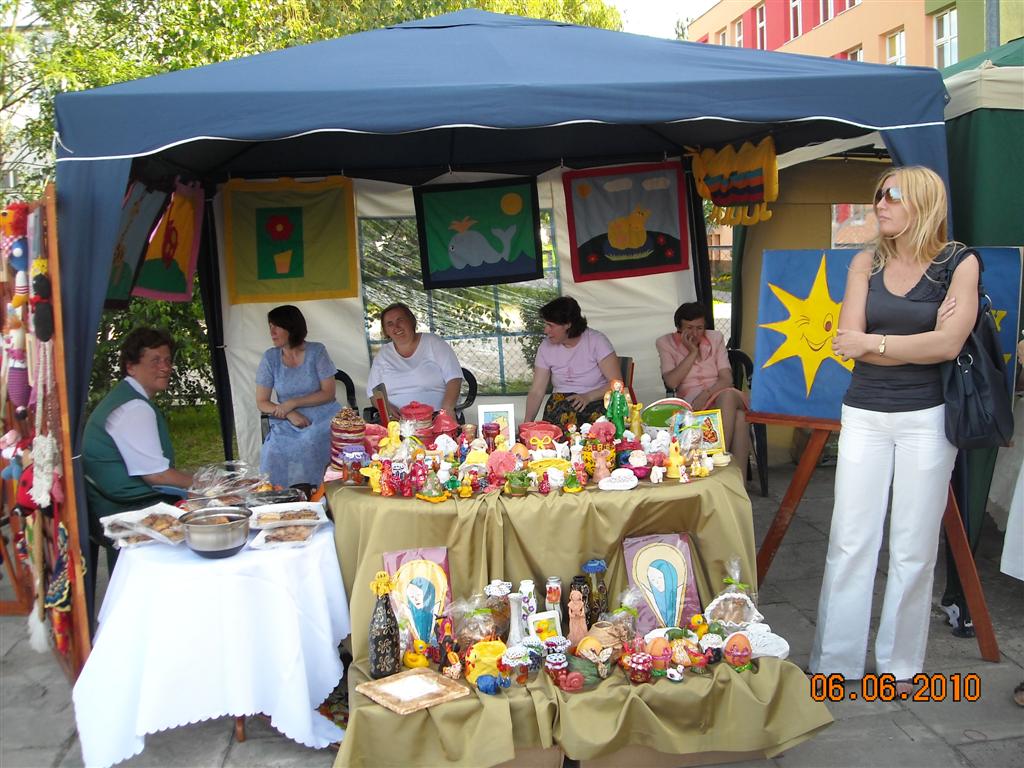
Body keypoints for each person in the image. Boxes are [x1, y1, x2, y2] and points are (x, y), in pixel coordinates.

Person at [808, 166, 979, 693]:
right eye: (878, 194)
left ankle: (900, 667)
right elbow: (848, 341)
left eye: (893, 195)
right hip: (864, 412)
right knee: (850, 540)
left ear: (923, 203)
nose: (880, 203)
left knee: (913, 546)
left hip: (928, 418)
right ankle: (834, 663)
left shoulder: (958, 263)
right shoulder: (866, 261)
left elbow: (948, 345)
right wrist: (910, 343)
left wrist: (877, 344)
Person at [83, 327, 194, 507]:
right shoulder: (134, 408)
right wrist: (209, 485)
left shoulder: (125, 398)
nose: (165, 367)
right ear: (130, 367)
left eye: (167, 360)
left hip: (121, 502)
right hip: (131, 509)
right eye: (155, 361)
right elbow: (157, 476)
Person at [656, 302, 751, 471]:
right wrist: (692, 352)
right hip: (692, 401)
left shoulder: (715, 338)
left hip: (720, 392)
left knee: (728, 395)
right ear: (678, 328)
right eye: (689, 328)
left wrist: (706, 394)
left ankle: (719, 457)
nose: (695, 333)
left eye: (700, 328)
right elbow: (672, 382)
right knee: (740, 418)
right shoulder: (665, 343)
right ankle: (738, 481)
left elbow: (726, 379)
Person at [255, 305, 340, 488]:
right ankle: (278, 494)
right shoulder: (270, 358)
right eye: (270, 326)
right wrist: (288, 413)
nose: (272, 332)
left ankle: (318, 492)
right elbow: (261, 401)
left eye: (277, 326)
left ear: (291, 327)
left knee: (310, 441)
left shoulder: (317, 351)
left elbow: (328, 392)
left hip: (322, 415)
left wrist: (292, 403)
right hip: (287, 419)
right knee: (272, 450)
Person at [524, 296, 620, 427]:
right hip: (561, 403)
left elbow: (617, 383)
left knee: (595, 429)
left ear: (568, 324)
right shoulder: (545, 347)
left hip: (595, 399)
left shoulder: (596, 341)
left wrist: (588, 397)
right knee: (560, 415)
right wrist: (526, 424)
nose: (545, 330)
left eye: (550, 325)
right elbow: (537, 390)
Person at [366, 302, 462, 420]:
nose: (396, 326)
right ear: (386, 331)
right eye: (389, 324)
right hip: (397, 421)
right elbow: (373, 393)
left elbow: (454, 378)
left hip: (435, 417)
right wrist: (387, 409)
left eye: (400, 320)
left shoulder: (433, 342)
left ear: (411, 321)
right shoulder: (383, 354)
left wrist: (447, 409)